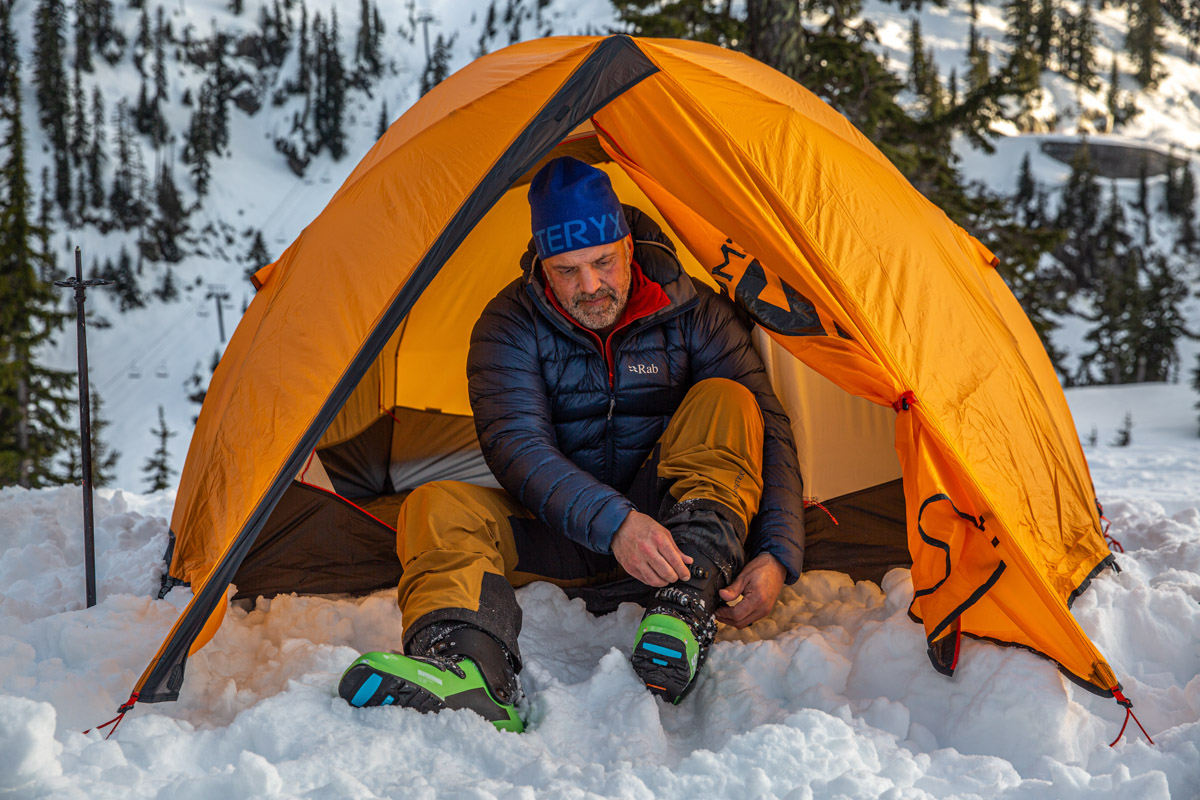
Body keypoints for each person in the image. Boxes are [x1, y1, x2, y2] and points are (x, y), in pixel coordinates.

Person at [339, 157, 804, 732]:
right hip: (555, 536)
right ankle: (467, 667)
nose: (589, 286)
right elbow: (516, 447)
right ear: (541, 262)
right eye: (567, 270)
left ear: (628, 246)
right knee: (432, 506)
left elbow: (771, 429)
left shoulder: (696, 313)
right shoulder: (508, 324)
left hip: (673, 542)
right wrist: (616, 525)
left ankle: (685, 607)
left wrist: (778, 553)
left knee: (731, 400)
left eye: (603, 262)